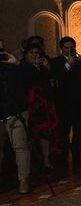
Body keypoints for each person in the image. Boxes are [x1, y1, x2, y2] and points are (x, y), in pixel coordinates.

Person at [50, 36, 81, 170]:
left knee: (78, 131)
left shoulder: (79, 61)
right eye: (67, 47)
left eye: (72, 47)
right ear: (61, 48)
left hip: (79, 102)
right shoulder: (56, 62)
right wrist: (68, 65)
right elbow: (58, 77)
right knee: (64, 132)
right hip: (64, 103)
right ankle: (63, 157)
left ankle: (77, 157)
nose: (70, 50)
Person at [20, 41, 59, 170]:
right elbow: (28, 82)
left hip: (44, 103)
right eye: (31, 52)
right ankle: (31, 163)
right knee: (30, 134)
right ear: (25, 54)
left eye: (37, 53)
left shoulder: (42, 66)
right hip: (29, 104)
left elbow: (49, 81)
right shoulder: (23, 66)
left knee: (45, 132)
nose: (34, 55)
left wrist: (46, 68)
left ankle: (46, 161)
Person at [0, 48, 31, 193]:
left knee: (20, 147)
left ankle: (23, 180)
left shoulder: (14, 69)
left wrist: (15, 65)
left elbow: (26, 83)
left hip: (15, 112)